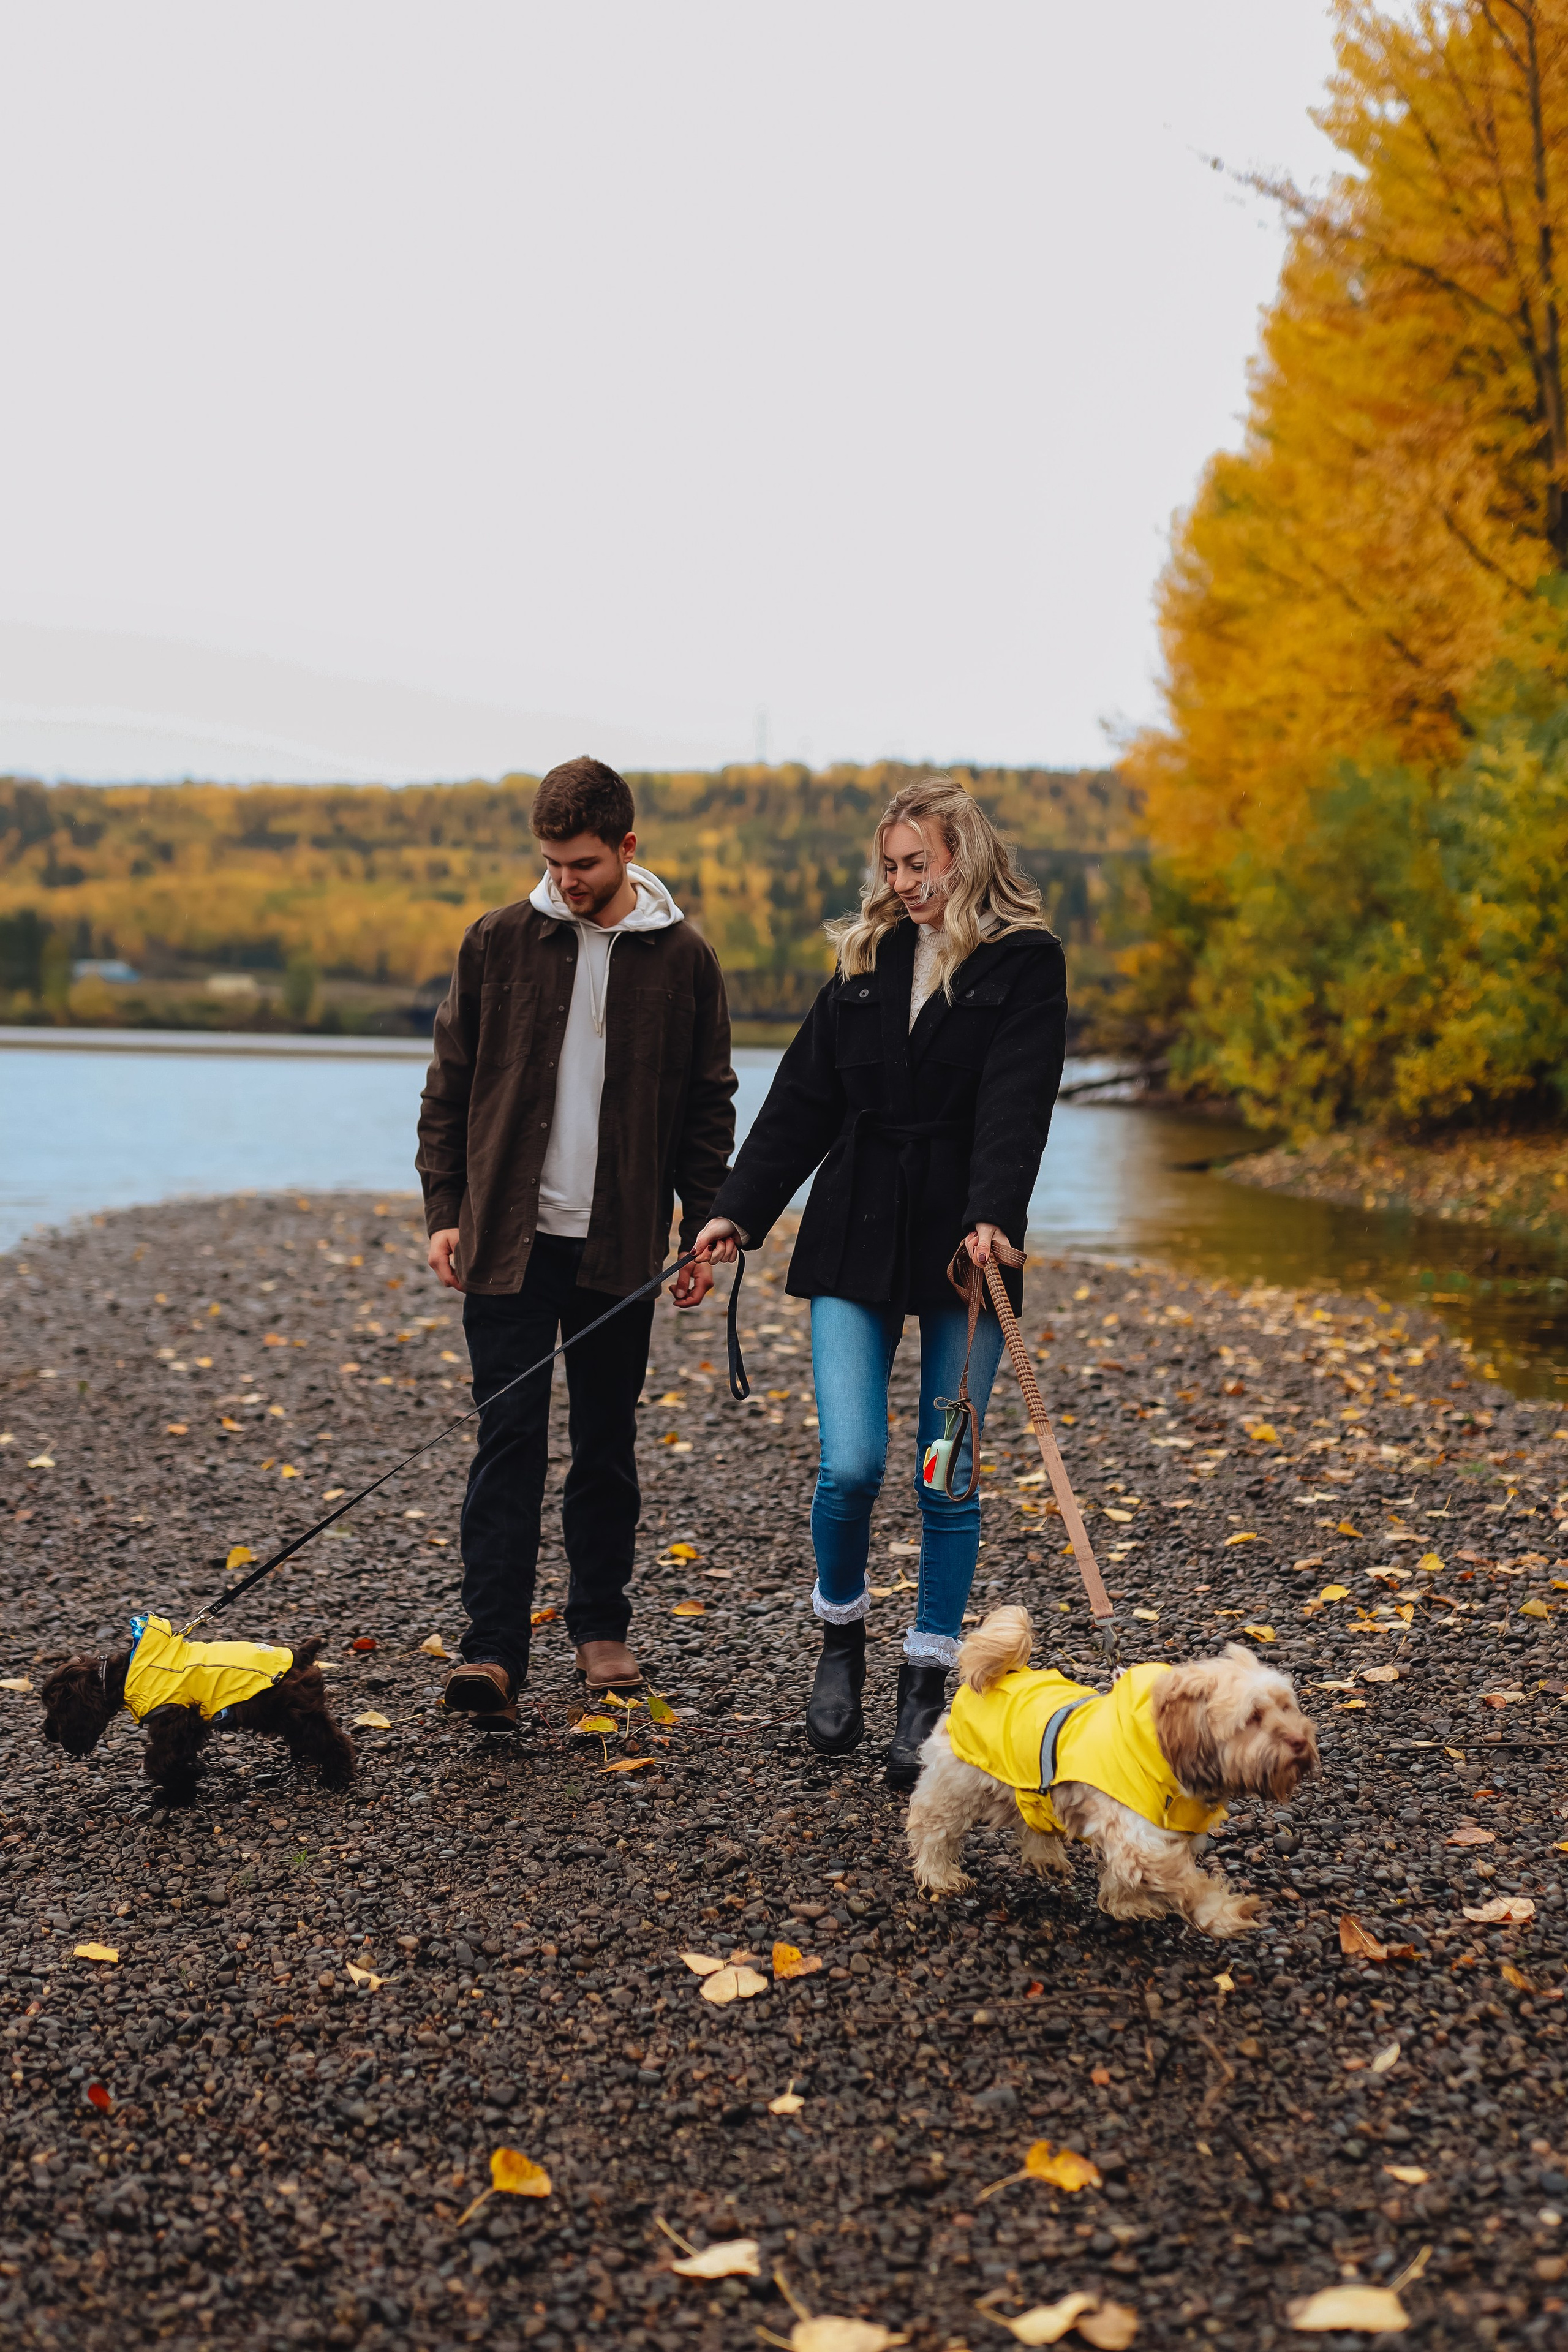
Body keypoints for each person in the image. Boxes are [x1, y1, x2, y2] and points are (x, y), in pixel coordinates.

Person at [690, 777, 1065, 1788]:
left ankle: (927, 1679)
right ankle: (842, 1637)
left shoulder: (1025, 964)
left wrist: (994, 1215)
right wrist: (734, 1211)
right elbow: (801, 1103)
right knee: (850, 1463)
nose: (902, 884)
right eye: (890, 867)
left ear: (964, 859)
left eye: (919, 865)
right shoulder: (863, 965)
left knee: (947, 1471)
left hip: (964, 1252)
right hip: (852, 1234)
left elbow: (1017, 1103)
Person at [417, 755, 736, 1724]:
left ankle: (601, 1626)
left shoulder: (684, 959)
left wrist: (702, 1224)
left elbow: (707, 1104)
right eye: (553, 862)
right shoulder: (498, 941)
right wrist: (444, 1209)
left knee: (606, 1442)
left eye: (585, 863)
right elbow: (449, 1086)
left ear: (629, 848)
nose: (566, 879)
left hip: (622, 1245)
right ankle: (492, 1652)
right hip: (507, 1243)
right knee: (506, 1440)